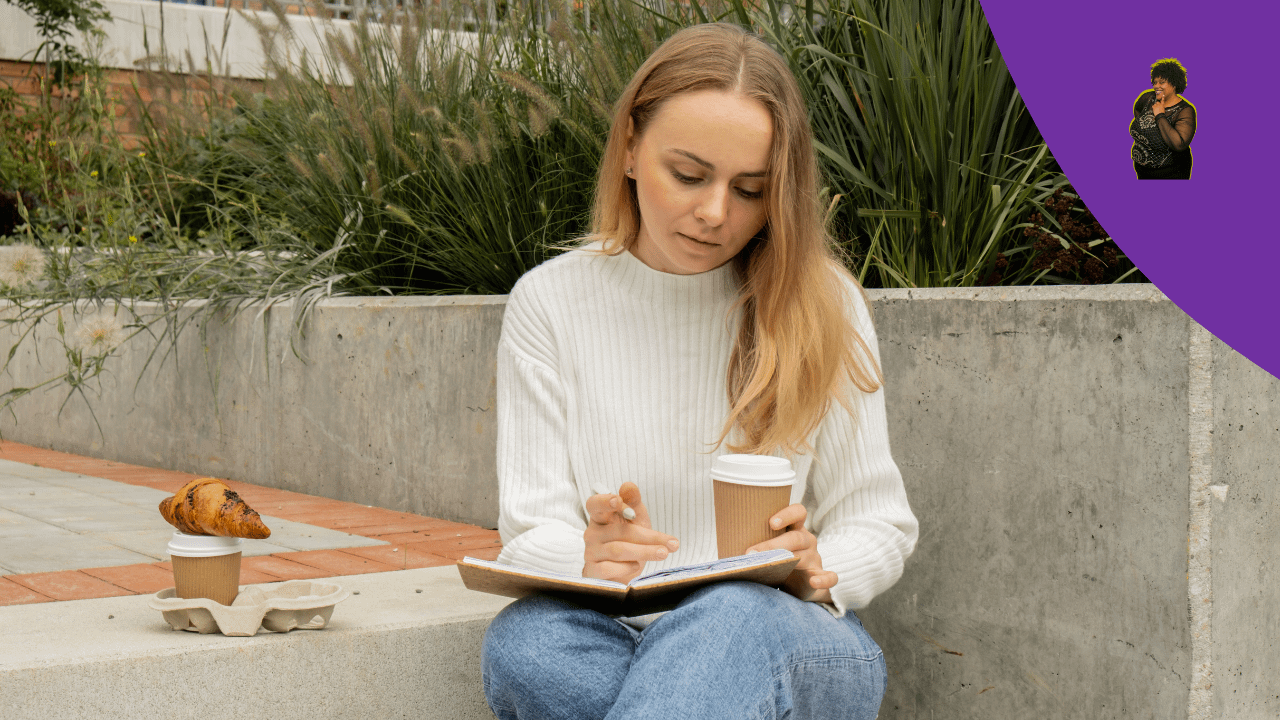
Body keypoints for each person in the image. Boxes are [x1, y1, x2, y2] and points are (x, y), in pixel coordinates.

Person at [480, 22, 918, 720]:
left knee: (728, 618)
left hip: (788, 635)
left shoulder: (820, 300)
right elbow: (532, 527)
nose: (714, 213)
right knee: (528, 648)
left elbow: (878, 520)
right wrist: (591, 556)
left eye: (750, 190)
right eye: (687, 175)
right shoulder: (551, 301)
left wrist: (817, 569)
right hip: (613, 627)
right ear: (629, 148)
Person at [1131, 58, 1196, 179]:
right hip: (1142, 171)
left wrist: (1160, 115)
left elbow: (1179, 144)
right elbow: (1137, 110)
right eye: (1155, 82)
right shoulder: (1148, 97)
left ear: (1174, 84)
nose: (1156, 86)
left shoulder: (1185, 110)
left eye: (1161, 82)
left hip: (1171, 173)